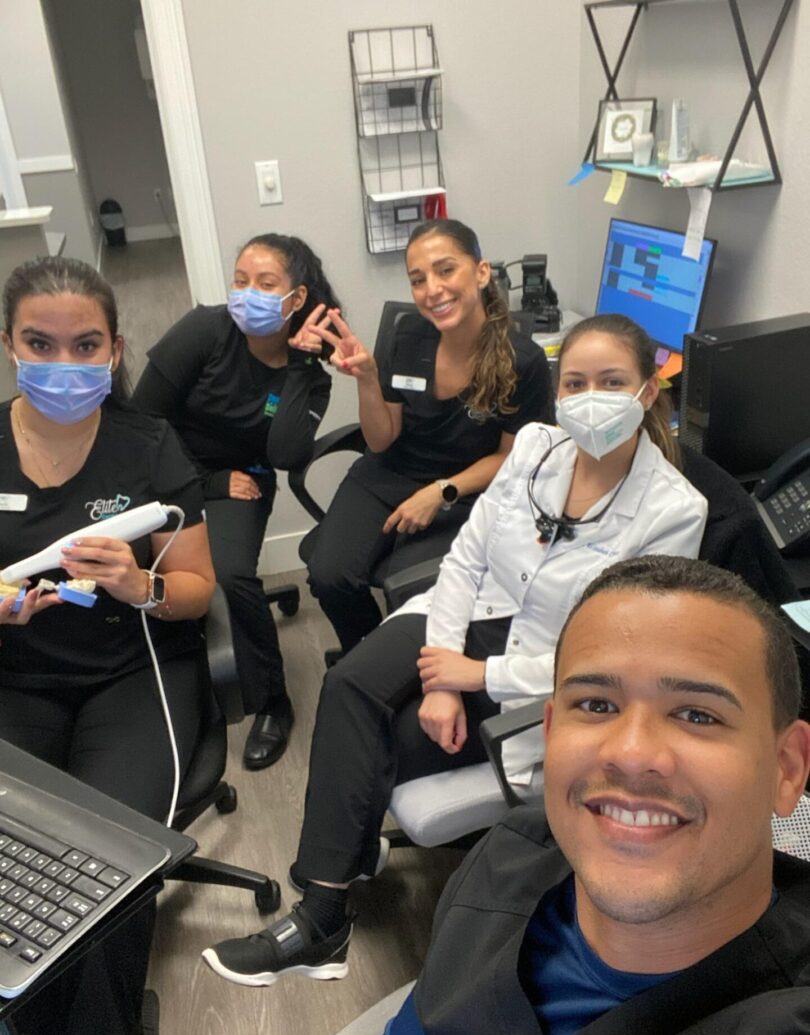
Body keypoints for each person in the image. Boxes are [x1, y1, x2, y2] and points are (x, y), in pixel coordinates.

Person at [202, 313, 709, 987]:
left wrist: (478, 675)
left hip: (547, 671)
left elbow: (625, 661)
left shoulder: (674, 509)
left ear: (647, 393)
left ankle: (323, 912)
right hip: (474, 612)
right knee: (350, 682)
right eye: (576, 381)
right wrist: (444, 676)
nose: (590, 397)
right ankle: (329, 899)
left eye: (612, 381)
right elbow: (466, 559)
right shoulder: (535, 447)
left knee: (383, 735)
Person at [350, 555, 810, 1035]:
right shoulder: (508, 856)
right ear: (551, 733)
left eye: (697, 714)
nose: (631, 754)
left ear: (786, 769)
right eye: (595, 705)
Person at [0, 255, 216, 1035]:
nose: (64, 364)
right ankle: (38, 1007)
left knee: (113, 867)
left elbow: (196, 593)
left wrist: (140, 584)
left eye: (85, 345)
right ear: (10, 344)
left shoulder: (147, 445)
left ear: (115, 349)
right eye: (40, 344)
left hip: (134, 675)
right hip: (15, 677)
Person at [133, 233, 339, 770]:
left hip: (244, 479)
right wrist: (206, 483)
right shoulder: (205, 330)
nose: (247, 293)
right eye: (240, 280)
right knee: (127, 563)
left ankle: (272, 701)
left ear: (296, 299)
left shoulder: (310, 378)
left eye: (266, 284)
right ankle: (158, 685)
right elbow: (140, 424)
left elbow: (287, 454)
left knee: (230, 575)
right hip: (168, 472)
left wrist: (296, 367)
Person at [305, 218, 553, 658]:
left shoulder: (522, 361)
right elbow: (381, 441)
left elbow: (512, 457)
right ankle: (367, 658)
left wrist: (441, 491)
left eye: (445, 270)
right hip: (388, 475)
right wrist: (366, 379)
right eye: (418, 280)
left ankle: (403, 663)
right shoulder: (408, 335)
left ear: (480, 272)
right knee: (329, 574)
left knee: (411, 590)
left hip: (465, 492)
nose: (432, 289)